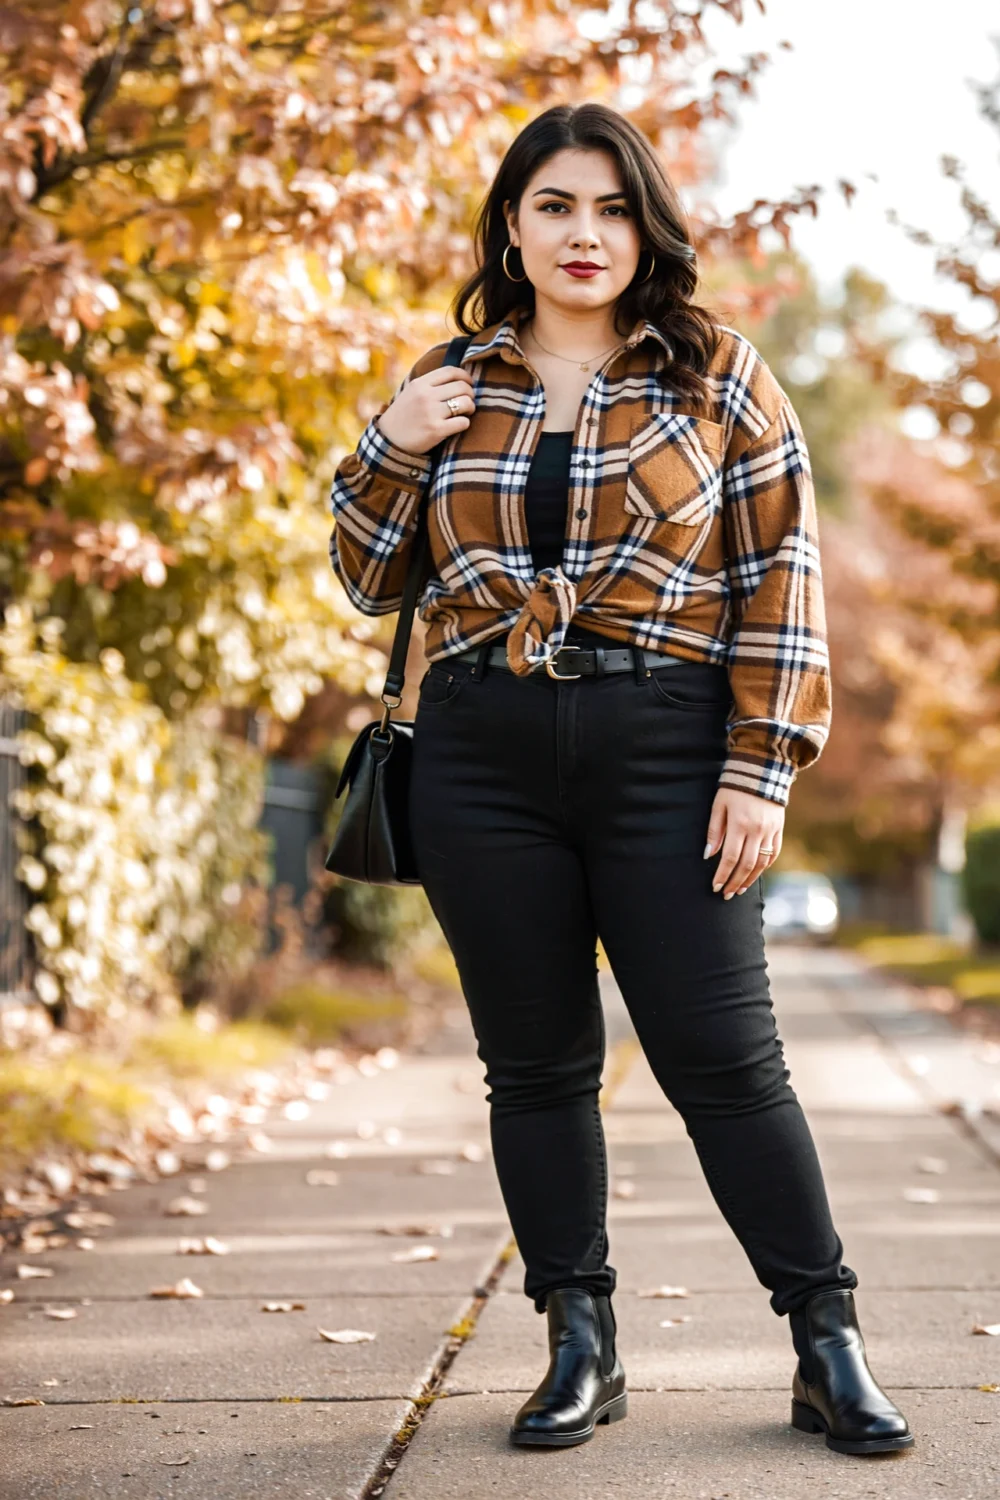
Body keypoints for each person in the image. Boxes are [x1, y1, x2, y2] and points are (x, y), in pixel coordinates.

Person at [329, 102, 913, 1459]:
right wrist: (393, 439)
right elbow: (368, 578)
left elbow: (782, 584)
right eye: (552, 208)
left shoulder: (718, 377)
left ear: (645, 225)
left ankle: (828, 1340)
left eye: (608, 208)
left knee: (724, 1056)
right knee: (534, 1066)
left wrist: (759, 768)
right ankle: (578, 1343)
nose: (582, 235)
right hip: (482, 753)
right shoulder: (448, 379)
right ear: (512, 228)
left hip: (667, 746)